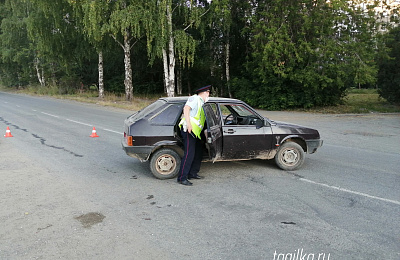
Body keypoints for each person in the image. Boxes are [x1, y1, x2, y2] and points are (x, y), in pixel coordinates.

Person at [177, 85, 211, 186]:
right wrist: (188, 124)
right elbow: (186, 109)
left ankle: (193, 173)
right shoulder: (195, 98)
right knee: (189, 154)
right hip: (189, 129)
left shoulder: (202, 102)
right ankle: (182, 178)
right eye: (208, 93)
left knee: (198, 152)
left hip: (196, 132)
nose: (208, 95)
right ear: (205, 92)